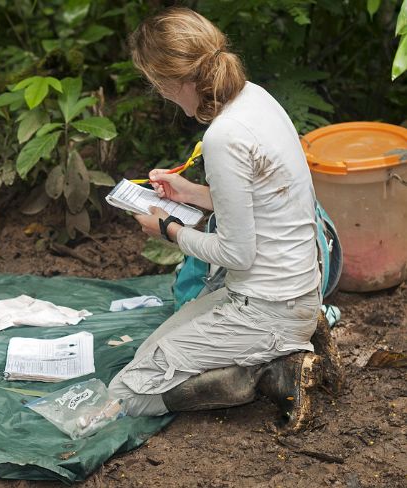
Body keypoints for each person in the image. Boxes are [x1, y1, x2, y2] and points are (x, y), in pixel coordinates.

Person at [108, 7, 340, 432]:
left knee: (129, 392)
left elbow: (236, 251)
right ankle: (292, 339)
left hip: (267, 307)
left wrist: (169, 230)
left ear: (170, 81)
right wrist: (188, 193)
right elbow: (259, 201)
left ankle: (275, 373)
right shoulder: (254, 96)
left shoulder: (223, 136)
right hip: (293, 286)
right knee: (149, 356)